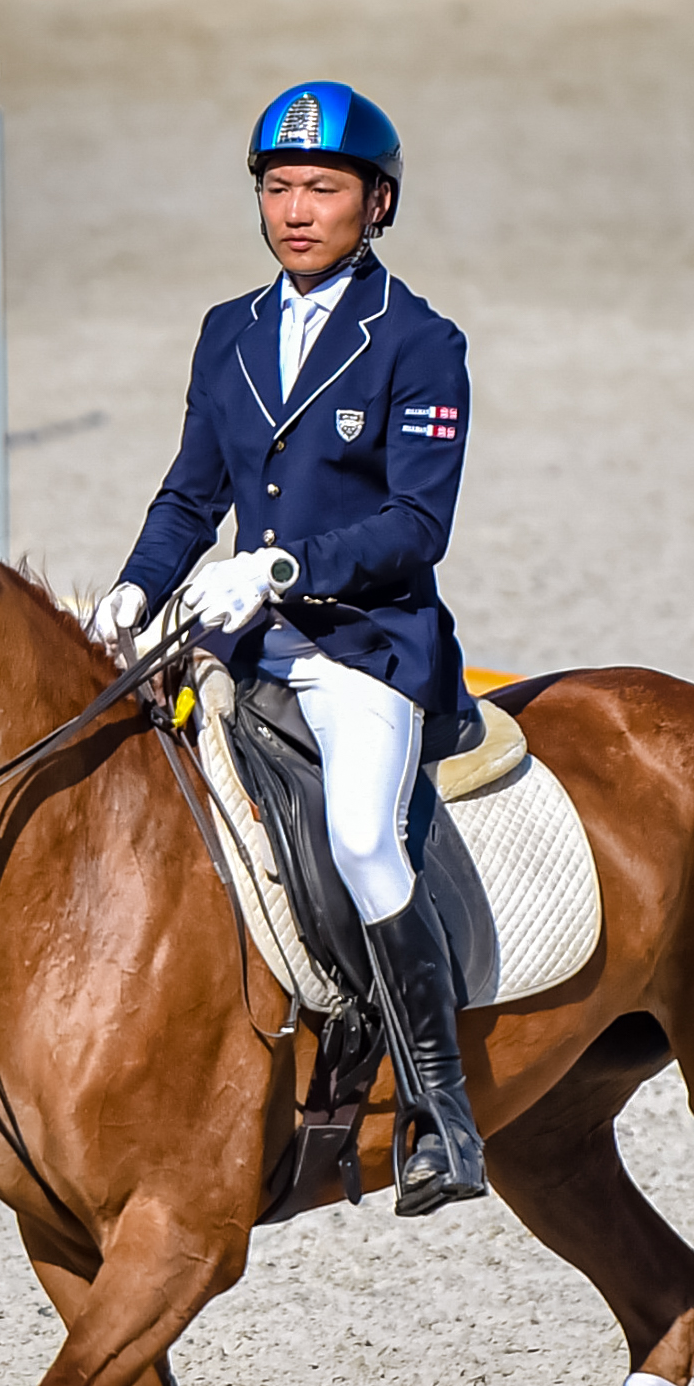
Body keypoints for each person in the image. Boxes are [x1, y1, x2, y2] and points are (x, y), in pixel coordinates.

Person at [92, 83, 487, 1216]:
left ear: (379, 202)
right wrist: (133, 588)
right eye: (278, 187)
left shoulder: (418, 342)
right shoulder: (230, 331)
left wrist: (278, 569)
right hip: (242, 648)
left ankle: (437, 1112)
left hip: (366, 647)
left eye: (324, 188)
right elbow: (190, 493)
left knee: (364, 841)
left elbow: (419, 525)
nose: (297, 210)